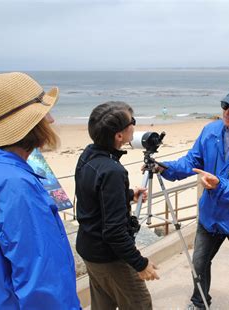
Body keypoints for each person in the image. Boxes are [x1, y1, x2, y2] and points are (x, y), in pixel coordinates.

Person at [0, 72, 81, 309]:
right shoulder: (16, 186)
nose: (52, 120)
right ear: (32, 124)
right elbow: (43, 282)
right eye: (45, 114)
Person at [158, 85, 229, 309]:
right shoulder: (210, 131)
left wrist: (220, 186)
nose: (227, 112)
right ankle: (199, 303)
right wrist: (165, 168)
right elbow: (192, 161)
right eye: (225, 105)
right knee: (199, 264)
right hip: (210, 216)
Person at [75, 101, 160, 310]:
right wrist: (141, 264)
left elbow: (92, 196)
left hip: (89, 249)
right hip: (110, 257)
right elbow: (114, 231)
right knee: (140, 304)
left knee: (103, 304)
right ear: (119, 136)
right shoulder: (112, 170)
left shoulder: (89, 155)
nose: (134, 125)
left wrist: (127, 195)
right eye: (132, 121)